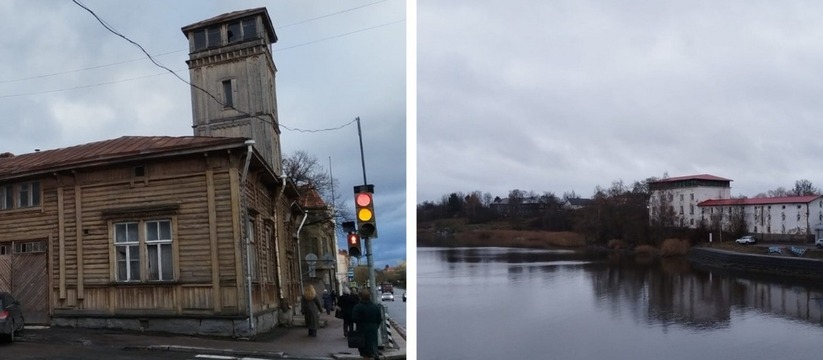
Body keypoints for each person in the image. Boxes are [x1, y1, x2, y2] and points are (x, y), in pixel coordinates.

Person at [352, 288, 382, 360]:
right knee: (373, 345)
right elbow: (379, 319)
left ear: (360, 297)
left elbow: (354, 318)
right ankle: (375, 355)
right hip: (373, 329)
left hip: (362, 330)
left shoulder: (358, 307)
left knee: (364, 349)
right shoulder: (375, 307)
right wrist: (376, 326)